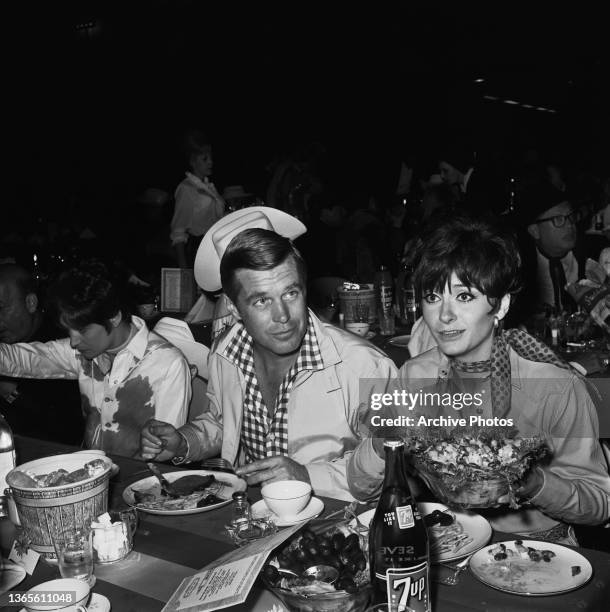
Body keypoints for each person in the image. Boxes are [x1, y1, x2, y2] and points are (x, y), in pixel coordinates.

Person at [347, 216, 610, 542]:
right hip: (448, 538)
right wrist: (383, 436)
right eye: (432, 297)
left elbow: (600, 503)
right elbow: (359, 485)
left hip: (537, 550)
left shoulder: (556, 387)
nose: (444, 315)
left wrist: (531, 481)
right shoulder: (416, 376)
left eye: (465, 296)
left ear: (500, 306)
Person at [140, 213, 397, 500]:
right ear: (234, 309)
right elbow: (224, 421)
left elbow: (394, 463)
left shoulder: (366, 366)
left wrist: (307, 476)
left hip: (337, 526)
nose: (283, 316)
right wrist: (184, 442)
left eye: (290, 294)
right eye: (262, 300)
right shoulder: (225, 354)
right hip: (249, 521)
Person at [0, 260, 191, 457]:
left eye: (82, 330)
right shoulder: (84, 352)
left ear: (114, 317)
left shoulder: (167, 363)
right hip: (90, 470)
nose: (73, 341)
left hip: (142, 480)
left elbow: (168, 450)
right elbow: (25, 359)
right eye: (69, 330)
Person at [0, 264, 83, 444]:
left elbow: (69, 428)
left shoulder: (70, 342)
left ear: (30, 303)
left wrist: (12, 393)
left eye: (1, 308)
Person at [170, 130, 226, 268]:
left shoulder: (208, 186)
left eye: (211, 157)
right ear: (192, 161)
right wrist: (184, 271)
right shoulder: (186, 188)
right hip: (198, 252)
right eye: (205, 159)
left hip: (214, 249)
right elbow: (178, 232)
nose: (211, 162)